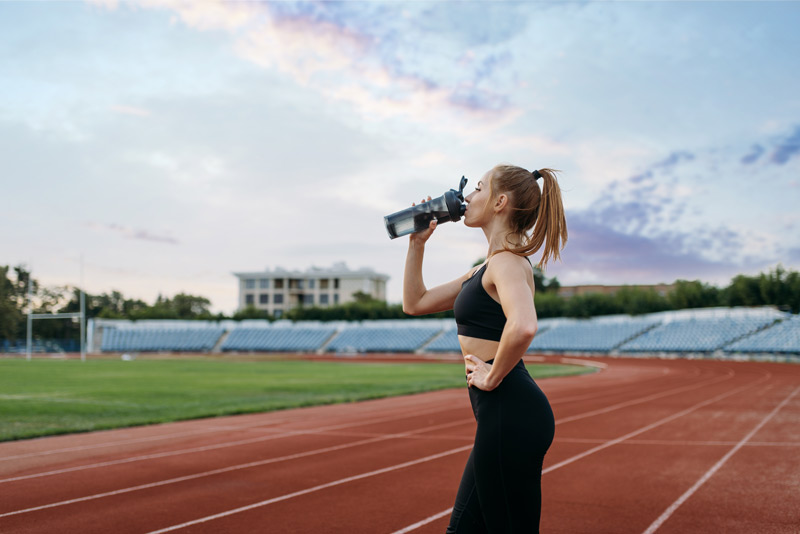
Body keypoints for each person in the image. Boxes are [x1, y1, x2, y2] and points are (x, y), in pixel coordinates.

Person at [402, 164, 567, 533]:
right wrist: (417, 245)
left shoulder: (507, 262)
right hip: (502, 415)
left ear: (500, 202)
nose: (469, 196)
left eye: (478, 188)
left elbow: (523, 324)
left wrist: (492, 375)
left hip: (512, 412)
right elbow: (416, 303)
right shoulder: (483, 268)